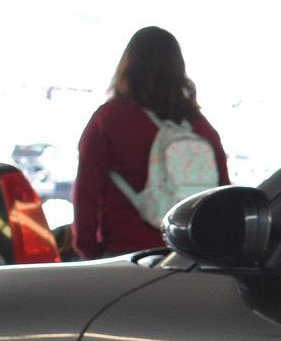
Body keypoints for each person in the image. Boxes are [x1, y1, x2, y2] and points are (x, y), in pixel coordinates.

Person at [73, 26, 229, 259]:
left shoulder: (109, 119)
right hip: (187, 257)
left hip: (126, 255)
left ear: (127, 66)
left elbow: (87, 193)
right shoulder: (200, 127)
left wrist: (88, 250)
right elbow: (222, 192)